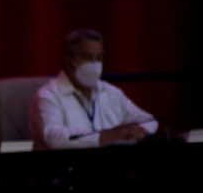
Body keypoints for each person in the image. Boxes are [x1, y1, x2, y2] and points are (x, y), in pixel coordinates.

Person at [29, 28, 158, 150]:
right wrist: (104, 136)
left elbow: (149, 121)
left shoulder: (111, 92)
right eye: (88, 57)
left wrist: (139, 130)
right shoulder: (48, 95)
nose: (95, 64)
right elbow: (54, 138)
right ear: (69, 60)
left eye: (99, 58)